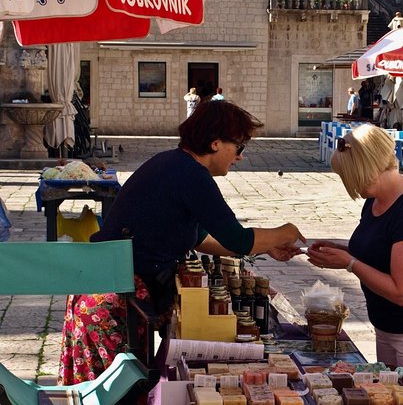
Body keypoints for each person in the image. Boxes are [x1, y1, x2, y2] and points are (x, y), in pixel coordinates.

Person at [58, 99, 305, 385]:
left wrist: (266, 245)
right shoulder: (191, 175)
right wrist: (285, 231)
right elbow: (237, 238)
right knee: (114, 392)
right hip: (109, 304)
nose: (240, 157)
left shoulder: (174, 164)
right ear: (215, 143)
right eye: (239, 147)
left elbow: (201, 238)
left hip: (106, 293)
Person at [306, 125, 403, 384]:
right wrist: (340, 252)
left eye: (349, 176)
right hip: (387, 325)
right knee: (386, 393)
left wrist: (349, 263)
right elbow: (378, 253)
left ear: (366, 170)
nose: (348, 184)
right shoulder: (375, 201)